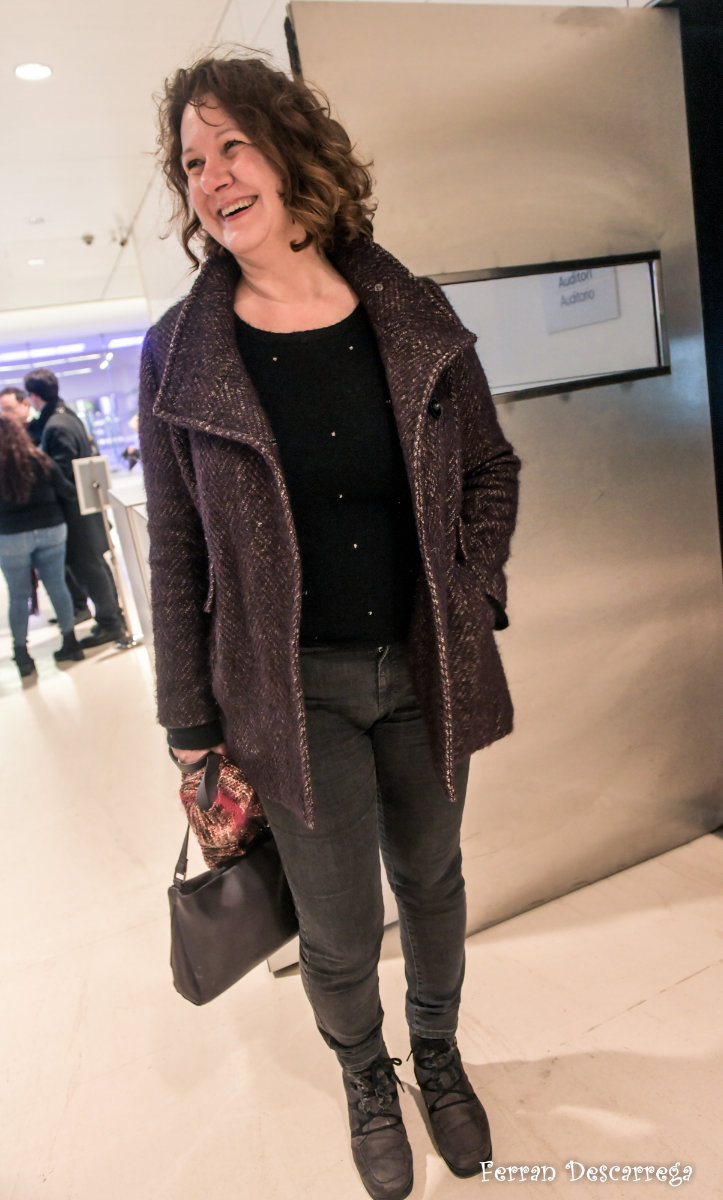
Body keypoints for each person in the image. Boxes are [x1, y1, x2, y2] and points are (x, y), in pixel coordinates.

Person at [139, 53, 519, 1200]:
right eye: (192, 162)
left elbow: (490, 469)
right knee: (340, 921)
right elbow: (177, 550)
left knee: (435, 885)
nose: (212, 177)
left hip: (424, 665)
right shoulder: (183, 352)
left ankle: (436, 1054)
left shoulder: (409, 310)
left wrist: (467, 590)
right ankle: (366, 1075)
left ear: (293, 150)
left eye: (232, 146)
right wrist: (188, 724)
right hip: (290, 693)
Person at [23, 369, 126, 647]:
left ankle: (111, 622)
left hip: (75, 509)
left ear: (33, 396)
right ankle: (112, 618)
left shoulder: (56, 425)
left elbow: (62, 472)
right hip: (83, 505)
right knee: (94, 565)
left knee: (89, 567)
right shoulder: (66, 416)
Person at [0, 414, 85, 675]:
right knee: (57, 586)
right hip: (52, 529)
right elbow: (68, 491)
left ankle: (22, 656)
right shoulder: (40, 459)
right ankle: (71, 643)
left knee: (18, 595)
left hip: (12, 536)